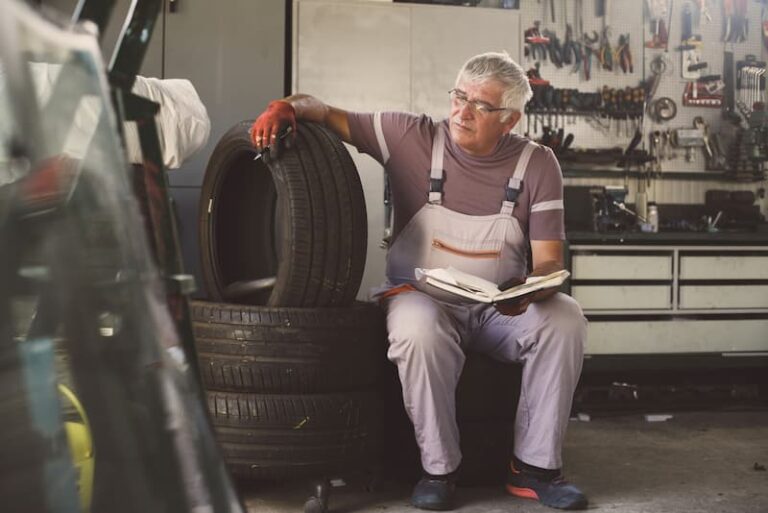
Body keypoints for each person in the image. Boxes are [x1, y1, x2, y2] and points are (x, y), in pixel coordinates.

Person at [251, 51, 588, 511]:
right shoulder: (407, 136)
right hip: (423, 299)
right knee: (417, 329)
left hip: (498, 308)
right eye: (459, 97)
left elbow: (549, 261)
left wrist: (534, 289)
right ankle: (438, 469)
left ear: (509, 119)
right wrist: (283, 107)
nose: (462, 112)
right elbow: (322, 111)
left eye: (481, 106)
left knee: (566, 318)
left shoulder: (538, 164)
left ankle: (535, 469)